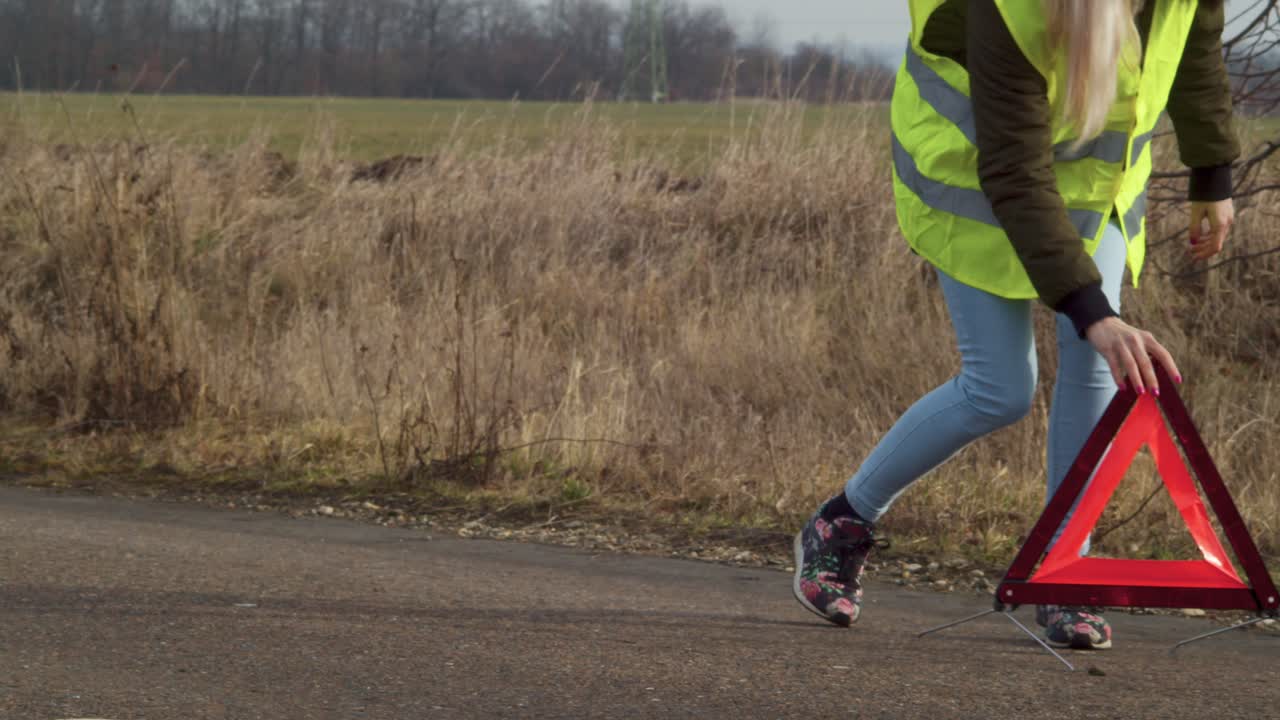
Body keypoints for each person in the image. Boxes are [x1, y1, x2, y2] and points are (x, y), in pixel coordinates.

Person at [793, 0, 1238, 651]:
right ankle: (840, 524)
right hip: (978, 178)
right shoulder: (1008, 8)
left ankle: (1063, 572)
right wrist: (1095, 314)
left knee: (1095, 368)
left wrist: (1213, 173)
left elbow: (1195, 53)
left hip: (1092, 184)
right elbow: (1016, 173)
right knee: (999, 388)